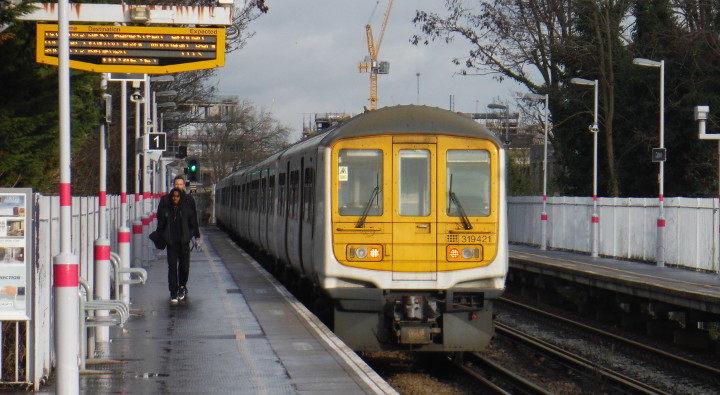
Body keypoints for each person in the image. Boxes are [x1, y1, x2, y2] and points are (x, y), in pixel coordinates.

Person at [157, 188, 199, 303]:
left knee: (184, 268)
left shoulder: (186, 210)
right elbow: (161, 225)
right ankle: (173, 292)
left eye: (177, 196)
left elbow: (193, 225)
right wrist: (163, 237)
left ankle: (182, 286)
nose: (175, 198)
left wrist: (189, 236)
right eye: (173, 196)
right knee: (172, 268)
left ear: (181, 197)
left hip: (184, 243)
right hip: (172, 244)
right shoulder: (166, 210)